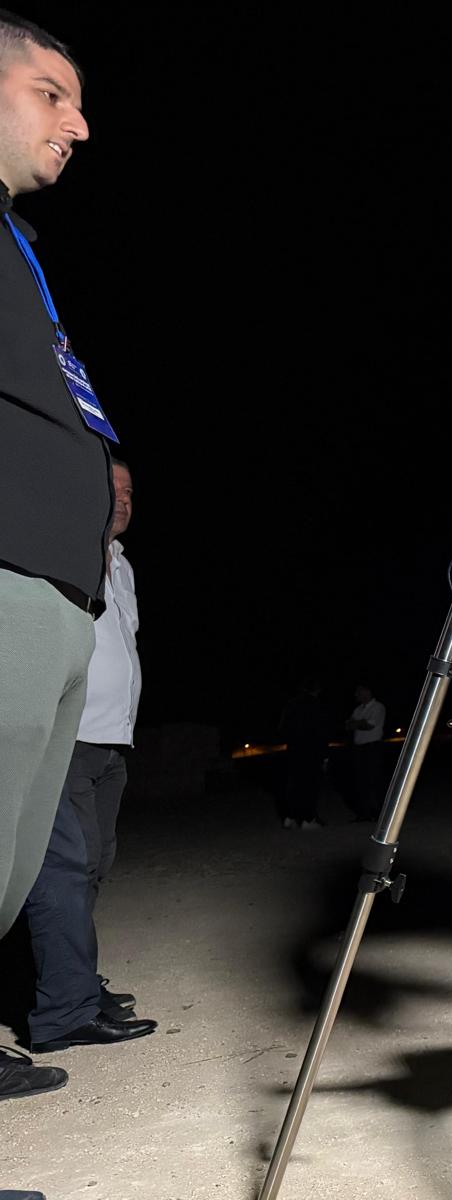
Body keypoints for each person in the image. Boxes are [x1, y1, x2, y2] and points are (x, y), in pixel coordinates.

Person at [0, 11, 104, 1104]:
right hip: (7, 580)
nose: (78, 123)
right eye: (49, 93)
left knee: (10, 866)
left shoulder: (11, 243)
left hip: (49, 585)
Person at [22, 457, 155, 1054]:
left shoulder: (122, 565)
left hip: (111, 740)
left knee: (94, 866)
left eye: (129, 492)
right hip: (67, 736)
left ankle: (74, 982)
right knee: (63, 873)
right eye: (112, 490)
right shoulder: (58, 550)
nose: (122, 500)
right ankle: (63, 1008)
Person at [278, 679, 330, 830]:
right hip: (311, 751)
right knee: (310, 785)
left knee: (293, 784)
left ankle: (290, 817)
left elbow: (282, 728)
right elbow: (321, 731)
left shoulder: (290, 705)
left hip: (294, 750)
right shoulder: (317, 705)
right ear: (317, 690)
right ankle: (308, 819)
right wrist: (324, 755)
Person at [343, 683, 387, 819]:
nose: (356, 695)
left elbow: (369, 725)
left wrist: (357, 723)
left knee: (373, 780)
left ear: (367, 692)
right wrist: (359, 723)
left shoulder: (378, 707)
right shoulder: (358, 709)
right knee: (360, 781)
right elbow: (348, 725)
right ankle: (365, 812)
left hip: (372, 748)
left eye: (359, 692)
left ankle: (377, 812)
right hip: (360, 748)